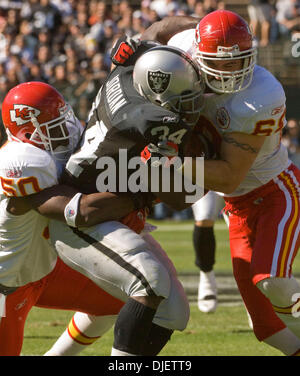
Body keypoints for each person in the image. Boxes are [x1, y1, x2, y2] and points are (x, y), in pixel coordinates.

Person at [140, 9, 300, 356]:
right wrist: (138, 46)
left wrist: (173, 161)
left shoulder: (260, 93)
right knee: (266, 328)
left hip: (275, 192)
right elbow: (167, 27)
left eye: (240, 60)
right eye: (223, 61)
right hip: (237, 206)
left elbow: (230, 174)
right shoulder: (184, 51)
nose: (232, 70)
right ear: (199, 52)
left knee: (272, 281)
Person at [48, 40, 215, 356]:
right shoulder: (148, 120)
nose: (193, 101)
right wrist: (207, 168)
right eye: (185, 97)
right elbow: (179, 198)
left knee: (173, 313)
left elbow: (146, 39)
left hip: (108, 206)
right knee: (149, 281)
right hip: (84, 210)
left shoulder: (128, 72)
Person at [0, 81, 154, 356]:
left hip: (42, 270)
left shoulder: (42, 158)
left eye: (65, 121)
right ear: (26, 134)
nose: (68, 134)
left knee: (120, 297)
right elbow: (81, 211)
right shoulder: (24, 162)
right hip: (7, 288)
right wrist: (140, 193)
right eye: (56, 129)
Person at [192, 191, 223, 313]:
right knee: (204, 217)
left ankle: (251, 295)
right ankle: (207, 276)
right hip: (206, 173)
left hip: (244, 174)